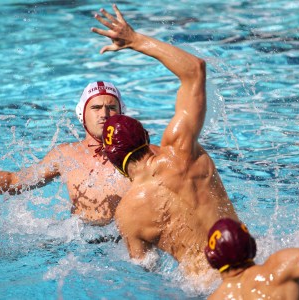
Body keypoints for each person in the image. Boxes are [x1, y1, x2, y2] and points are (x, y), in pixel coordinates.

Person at [91, 5, 240, 282]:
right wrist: (135, 40)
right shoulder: (181, 150)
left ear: (114, 162)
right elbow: (195, 70)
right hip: (246, 266)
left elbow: (146, 272)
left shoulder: (127, 215)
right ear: (146, 137)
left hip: (208, 289)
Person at [0, 81, 131, 226]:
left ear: (121, 113)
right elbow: (15, 181)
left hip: (122, 241)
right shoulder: (66, 155)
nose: (104, 114)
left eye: (111, 108)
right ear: (82, 114)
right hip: (78, 241)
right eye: (96, 108)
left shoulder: (138, 155)